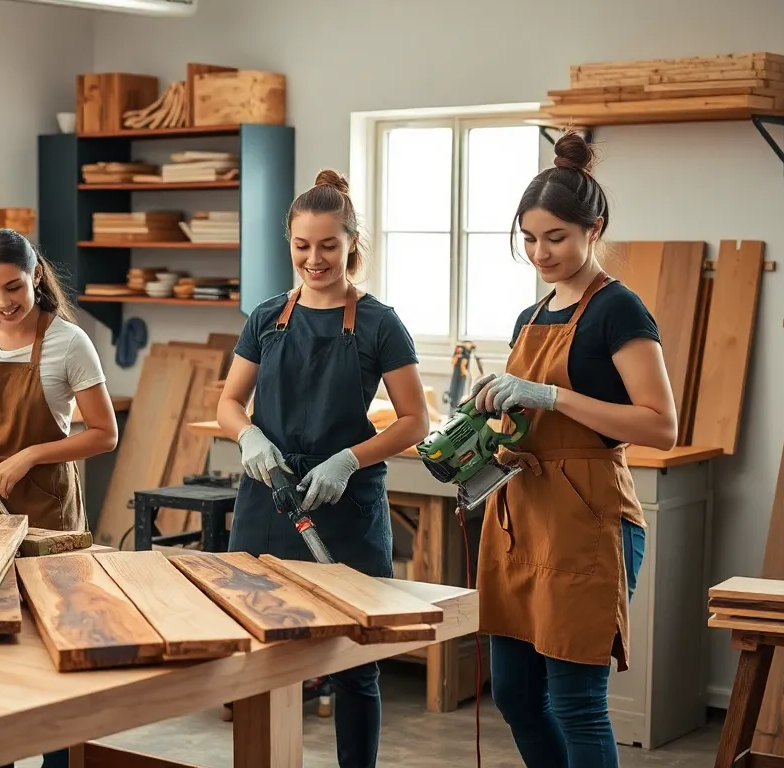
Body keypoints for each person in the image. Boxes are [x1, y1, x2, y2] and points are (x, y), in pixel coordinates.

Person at [470, 131, 676, 768]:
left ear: (595, 228)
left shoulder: (621, 310)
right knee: (515, 697)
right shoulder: (530, 317)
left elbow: (659, 425)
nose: (540, 253)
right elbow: (527, 422)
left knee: (575, 703)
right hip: (522, 518)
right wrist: (485, 427)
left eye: (555, 237)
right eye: (529, 239)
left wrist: (551, 396)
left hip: (588, 520)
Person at [217, 169, 431, 768]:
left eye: (329, 246)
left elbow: (416, 420)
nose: (315, 259)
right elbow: (228, 402)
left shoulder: (379, 323)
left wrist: (349, 459)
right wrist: (250, 435)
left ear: (351, 244)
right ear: (289, 243)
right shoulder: (266, 318)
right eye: (303, 246)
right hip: (268, 501)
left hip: (346, 508)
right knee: (260, 656)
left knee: (355, 665)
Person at [0, 228, 117, 532]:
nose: (3, 302)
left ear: (35, 275)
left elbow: (105, 434)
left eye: (13, 287)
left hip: (43, 506)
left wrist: (30, 456)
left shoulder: (69, 342)